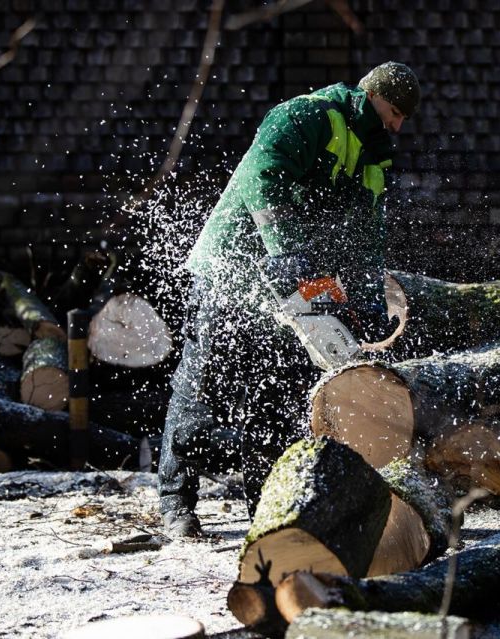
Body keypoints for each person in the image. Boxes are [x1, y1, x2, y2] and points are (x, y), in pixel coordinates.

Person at [158, 62, 421, 537]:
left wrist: (364, 302)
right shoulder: (305, 115)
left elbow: (365, 237)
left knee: (277, 387)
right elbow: (264, 179)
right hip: (233, 263)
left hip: (293, 277)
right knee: (204, 380)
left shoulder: (373, 155)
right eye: (395, 112)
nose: (397, 125)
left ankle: (265, 504)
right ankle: (176, 500)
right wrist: (290, 259)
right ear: (373, 96)